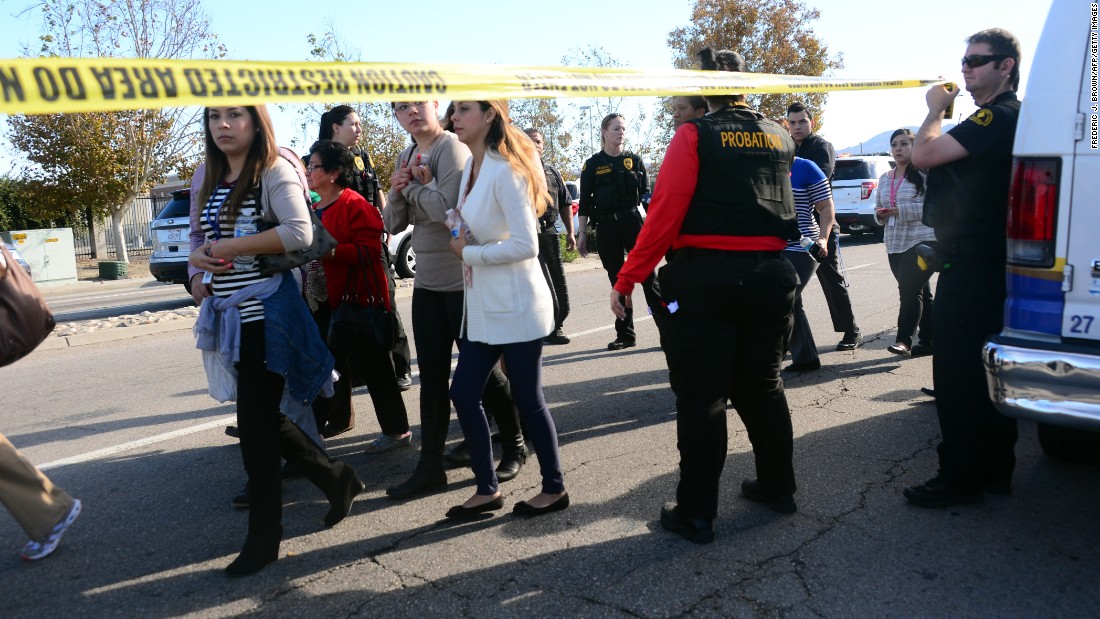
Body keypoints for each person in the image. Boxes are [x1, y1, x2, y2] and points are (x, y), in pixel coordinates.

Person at [611, 47, 800, 544]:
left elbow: (664, 214)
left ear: (702, 86)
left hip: (706, 281)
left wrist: (628, 278)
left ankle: (696, 512)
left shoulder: (694, 134)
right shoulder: (779, 133)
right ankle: (779, 487)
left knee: (702, 398)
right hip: (772, 276)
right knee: (763, 387)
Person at [188, 105, 363, 576]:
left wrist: (229, 248)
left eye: (234, 116)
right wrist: (196, 269)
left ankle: (265, 537)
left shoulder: (274, 170)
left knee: (255, 427)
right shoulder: (206, 172)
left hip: (267, 310)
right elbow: (196, 238)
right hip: (227, 316)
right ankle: (335, 476)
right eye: (213, 117)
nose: (222, 125)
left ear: (256, 121)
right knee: (262, 418)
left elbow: (298, 231)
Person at [383, 101, 527, 499]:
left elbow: (450, 209)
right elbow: (392, 223)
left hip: (462, 281)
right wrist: (402, 193)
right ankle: (430, 467)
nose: (410, 112)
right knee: (430, 379)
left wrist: (411, 189)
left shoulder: (452, 148)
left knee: (483, 375)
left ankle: (514, 443)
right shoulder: (408, 153)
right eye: (400, 108)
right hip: (427, 284)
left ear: (433, 106)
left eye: (417, 104)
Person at [904, 29, 1022, 508]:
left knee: (956, 373)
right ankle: (995, 469)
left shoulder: (999, 115)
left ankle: (960, 477)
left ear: (1006, 66)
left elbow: (925, 155)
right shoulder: (998, 117)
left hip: (975, 260)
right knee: (986, 370)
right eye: (964, 60)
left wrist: (933, 110)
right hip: (988, 258)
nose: (967, 69)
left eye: (978, 60)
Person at [444, 100, 568, 520]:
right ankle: (487, 489)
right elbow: (469, 221)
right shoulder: (471, 170)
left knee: (529, 400)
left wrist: (469, 252)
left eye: (462, 110)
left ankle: (554, 488)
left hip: (516, 304)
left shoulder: (506, 169)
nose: (453, 118)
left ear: (490, 115)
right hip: (483, 307)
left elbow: (526, 245)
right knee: (462, 393)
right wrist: (456, 225)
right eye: (452, 112)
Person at [306, 139, 411, 452]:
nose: (309, 171)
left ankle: (397, 432)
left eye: (315, 167)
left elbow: (370, 252)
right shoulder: (313, 206)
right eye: (309, 166)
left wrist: (330, 251)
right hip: (323, 301)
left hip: (358, 302)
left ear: (334, 172)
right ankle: (312, 436)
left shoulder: (355, 204)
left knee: (377, 370)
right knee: (327, 370)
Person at [317, 105, 413, 396]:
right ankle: (350, 379)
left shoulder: (362, 156)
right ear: (336, 127)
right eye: (353, 124)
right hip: (340, 240)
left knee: (385, 303)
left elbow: (377, 189)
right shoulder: (322, 158)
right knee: (343, 310)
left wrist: (386, 223)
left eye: (359, 124)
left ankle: (400, 368)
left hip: (369, 237)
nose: (359, 129)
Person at [578, 113, 662, 351]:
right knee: (618, 281)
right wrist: (582, 233)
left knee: (648, 277)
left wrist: (656, 224)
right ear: (604, 132)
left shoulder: (634, 160)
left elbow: (646, 196)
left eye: (623, 129)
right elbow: (584, 202)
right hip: (606, 226)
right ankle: (626, 335)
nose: (621, 133)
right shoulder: (592, 165)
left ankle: (667, 330)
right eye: (616, 129)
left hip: (632, 221)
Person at [786, 101, 863, 352]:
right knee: (790, 291)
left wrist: (822, 236)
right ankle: (795, 343)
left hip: (821, 226)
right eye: (793, 122)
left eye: (802, 122)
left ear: (812, 123)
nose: (797, 127)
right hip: (790, 232)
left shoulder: (821, 148)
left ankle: (851, 330)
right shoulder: (786, 148)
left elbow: (821, 177)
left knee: (831, 279)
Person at [875, 128, 936, 358]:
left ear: (914, 146)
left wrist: (900, 211)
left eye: (903, 144)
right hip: (894, 241)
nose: (898, 148)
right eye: (894, 145)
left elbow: (931, 208)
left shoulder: (924, 174)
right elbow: (878, 208)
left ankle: (903, 341)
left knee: (909, 291)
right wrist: (880, 215)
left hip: (922, 241)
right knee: (921, 292)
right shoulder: (885, 178)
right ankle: (930, 340)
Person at [782, 156, 836, 372]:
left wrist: (823, 238)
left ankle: (763, 365)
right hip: (771, 247)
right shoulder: (763, 166)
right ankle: (806, 358)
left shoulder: (806, 167)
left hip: (803, 247)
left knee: (781, 301)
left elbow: (826, 207)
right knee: (791, 303)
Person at [524, 127, 574, 345]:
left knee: (556, 283)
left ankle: (556, 326)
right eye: (530, 141)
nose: (535, 145)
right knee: (536, 286)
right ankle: (536, 328)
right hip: (527, 235)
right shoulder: (517, 171)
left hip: (549, 232)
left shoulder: (553, 173)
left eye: (539, 141)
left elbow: (565, 203)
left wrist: (571, 233)